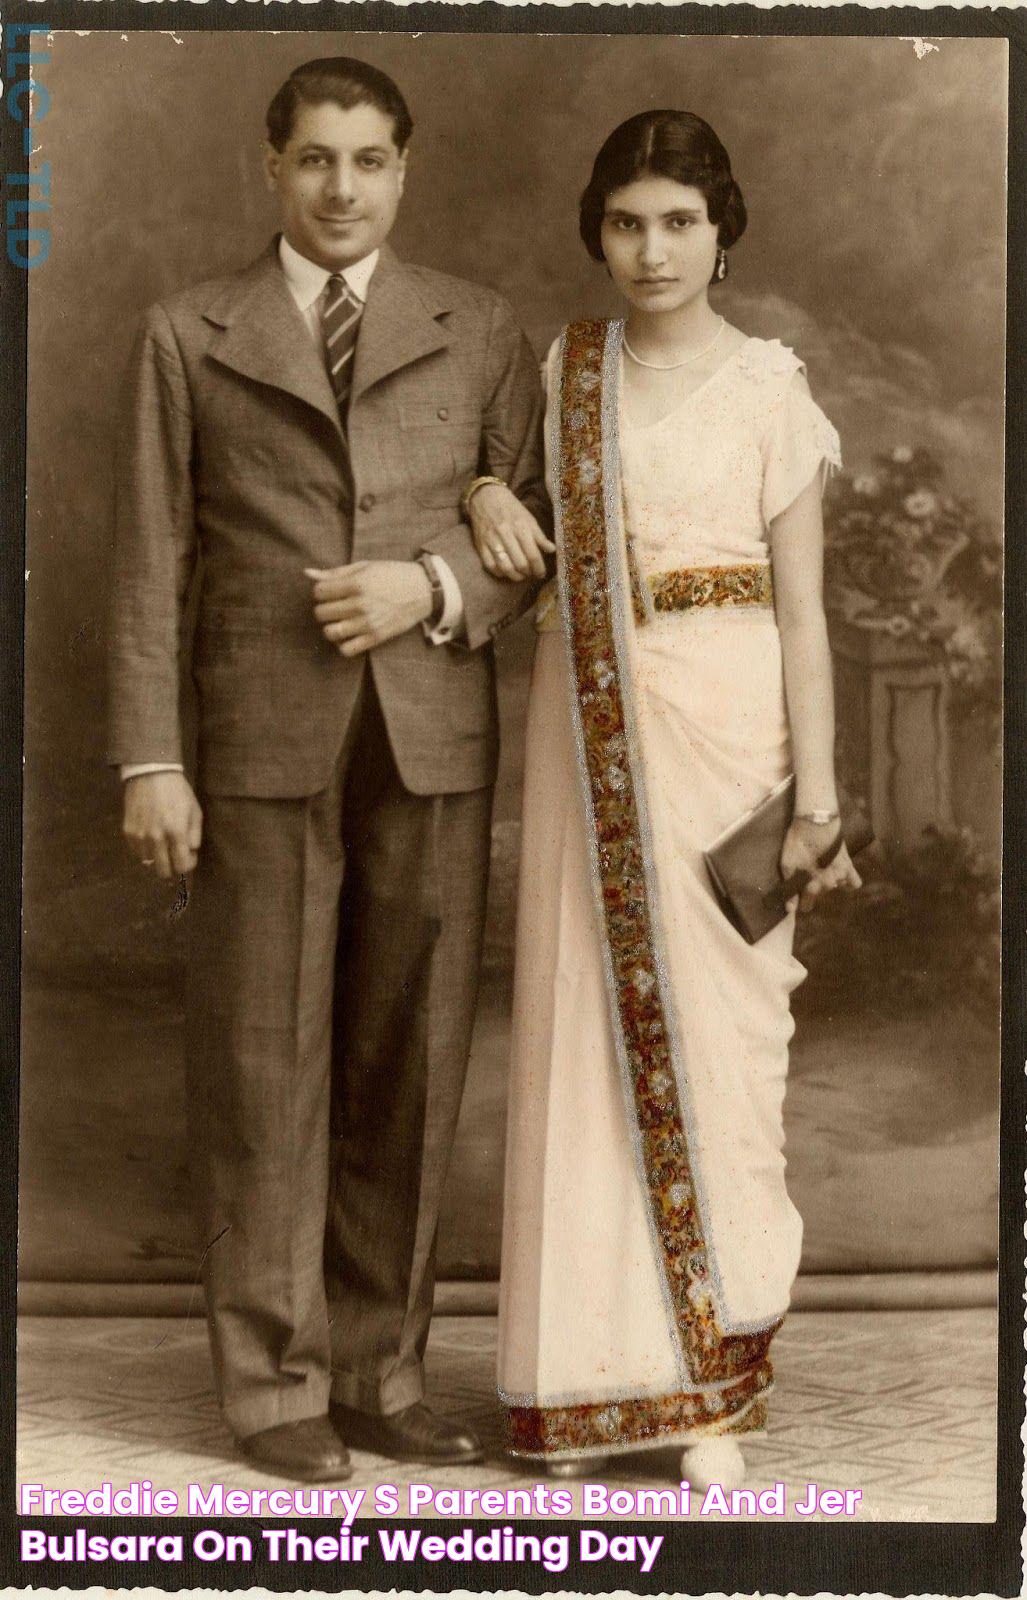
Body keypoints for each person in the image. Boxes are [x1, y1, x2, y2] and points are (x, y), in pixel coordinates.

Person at [107, 55, 551, 1482]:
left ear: (406, 170)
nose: (341, 188)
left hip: (431, 738)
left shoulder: (479, 326)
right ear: (271, 167)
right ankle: (275, 1387)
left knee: (408, 1061)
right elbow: (147, 561)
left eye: (368, 160)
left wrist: (431, 589)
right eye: (315, 160)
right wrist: (149, 757)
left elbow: (536, 536)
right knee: (263, 1064)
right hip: (253, 738)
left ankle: (381, 1370)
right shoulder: (190, 332)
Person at [470, 110, 861, 1490]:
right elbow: (508, 503)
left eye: (680, 222)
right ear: (599, 230)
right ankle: (583, 1387)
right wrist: (479, 495)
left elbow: (807, 618)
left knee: (727, 1062)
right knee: (582, 1035)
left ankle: (708, 1394)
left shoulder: (771, 387)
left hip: (727, 736)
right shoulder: (565, 371)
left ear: (721, 231)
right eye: (628, 222)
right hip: (586, 740)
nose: (652, 250)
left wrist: (816, 800)